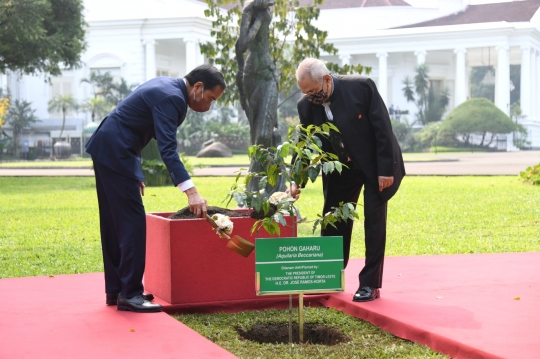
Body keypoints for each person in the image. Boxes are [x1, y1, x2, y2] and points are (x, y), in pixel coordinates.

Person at [85, 64, 226, 312]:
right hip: (117, 151)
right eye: (211, 98)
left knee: (114, 223)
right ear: (198, 87)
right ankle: (130, 294)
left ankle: (117, 290)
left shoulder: (168, 87)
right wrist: (191, 191)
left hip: (110, 147)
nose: (209, 105)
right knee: (132, 224)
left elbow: (134, 125)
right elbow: (167, 148)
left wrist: (133, 170)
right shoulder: (172, 97)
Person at [289, 58, 405, 302]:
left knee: (374, 221)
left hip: (375, 165)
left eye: (314, 91)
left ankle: (370, 285)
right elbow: (305, 144)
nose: (311, 97)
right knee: (333, 218)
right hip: (340, 168)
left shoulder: (361, 87)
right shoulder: (306, 106)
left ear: (327, 80)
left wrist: (386, 170)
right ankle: (329, 274)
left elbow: (383, 129)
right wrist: (296, 180)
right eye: (306, 93)